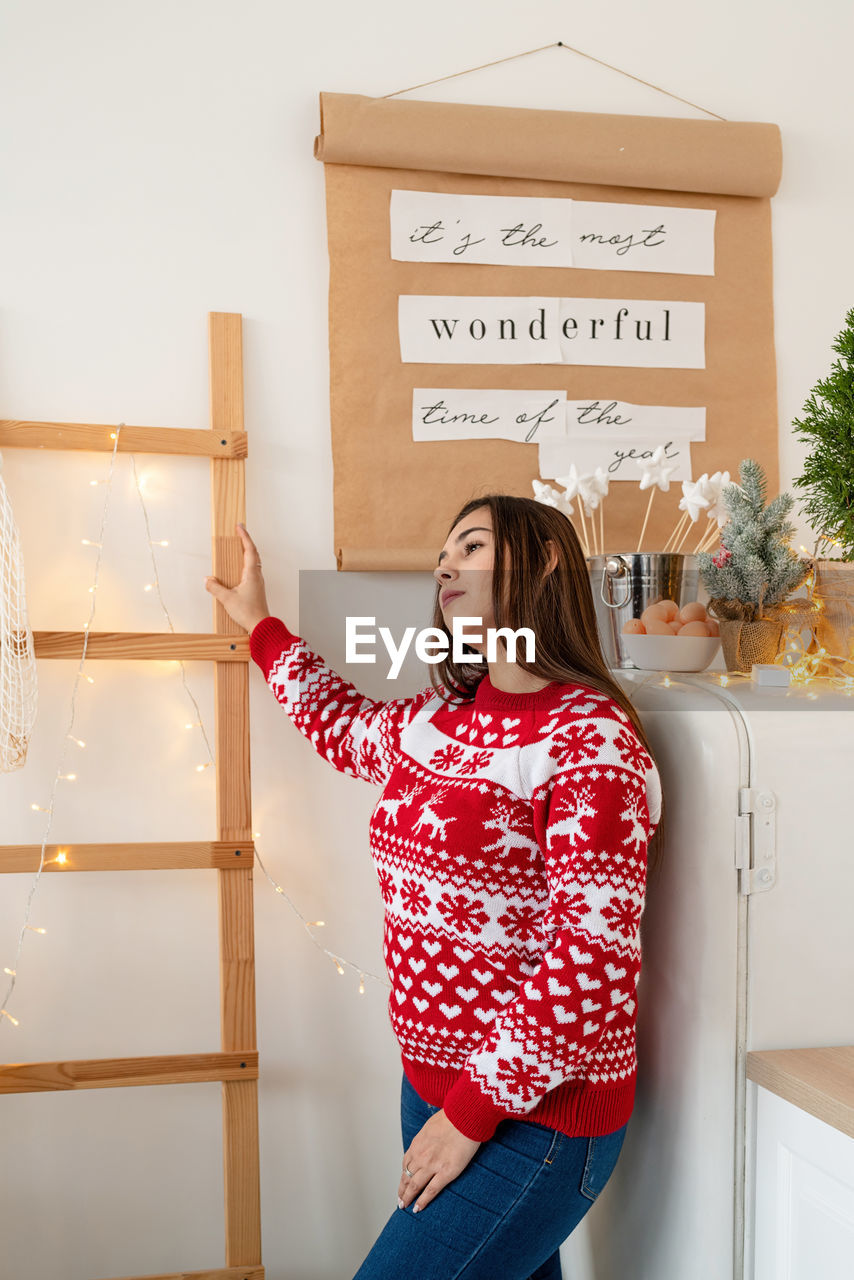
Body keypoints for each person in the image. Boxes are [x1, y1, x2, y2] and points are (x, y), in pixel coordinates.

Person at [205, 493, 664, 1280]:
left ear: (544, 561)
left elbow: (593, 962)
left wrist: (470, 1114)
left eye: (474, 546)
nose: (447, 563)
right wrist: (262, 627)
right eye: (445, 551)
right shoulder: (437, 720)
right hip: (434, 1091)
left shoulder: (590, 739)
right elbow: (339, 723)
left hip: (537, 1118)